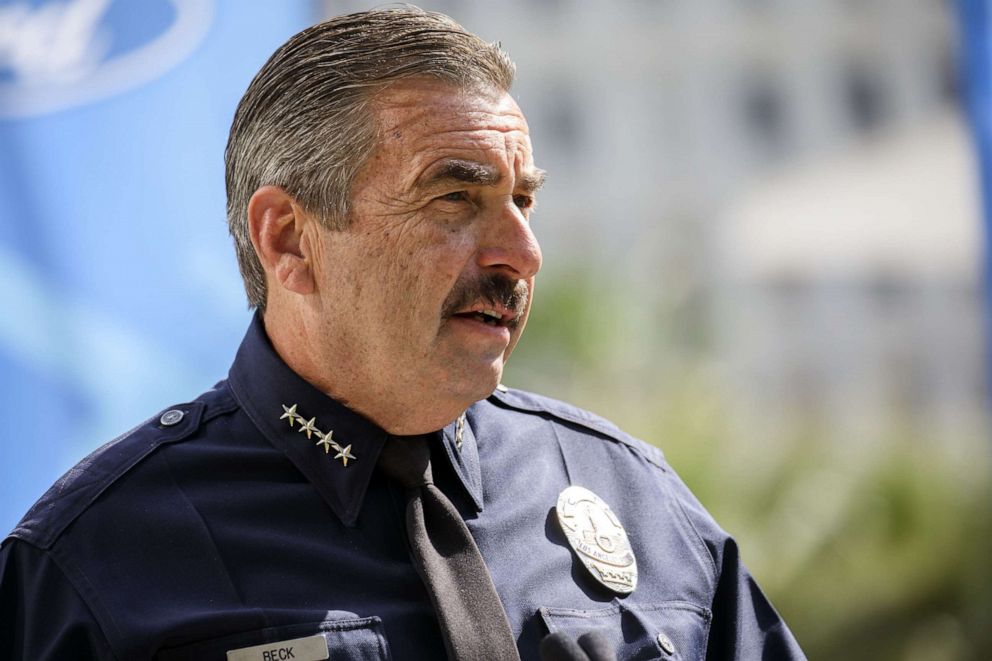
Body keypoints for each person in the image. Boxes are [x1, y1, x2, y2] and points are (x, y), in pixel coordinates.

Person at [0, 7, 805, 660]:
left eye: (523, 200)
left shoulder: (634, 496)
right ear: (287, 239)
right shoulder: (91, 561)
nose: (522, 253)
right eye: (454, 198)